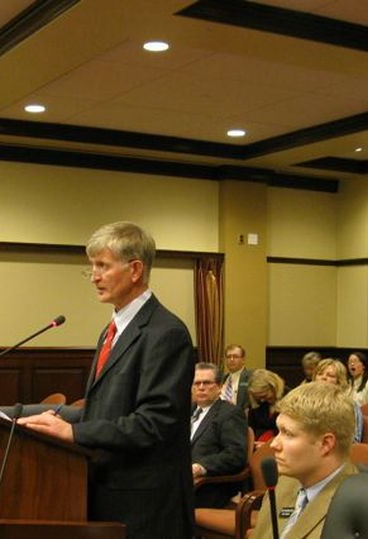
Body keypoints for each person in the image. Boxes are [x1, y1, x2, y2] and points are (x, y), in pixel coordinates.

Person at [17, 221, 194, 537]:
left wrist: (76, 432)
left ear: (135, 270)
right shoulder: (111, 330)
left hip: (145, 504)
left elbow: (155, 423)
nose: (95, 277)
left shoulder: (166, 333)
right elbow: (107, 409)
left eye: (103, 266)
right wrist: (50, 419)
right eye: (92, 268)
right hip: (108, 488)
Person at [250, 382, 358, 539]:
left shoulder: (358, 508)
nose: (274, 444)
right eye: (279, 431)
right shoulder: (282, 485)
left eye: (288, 433)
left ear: (325, 444)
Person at [190, 362, 248, 508]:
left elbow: (236, 455)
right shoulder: (187, 411)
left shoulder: (229, 413)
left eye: (207, 383)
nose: (201, 387)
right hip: (181, 481)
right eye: (197, 383)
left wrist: (200, 467)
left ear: (219, 386)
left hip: (208, 486)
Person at [314, 358, 364, 443]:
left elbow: (354, 441)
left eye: (330, 376)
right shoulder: (306, 402)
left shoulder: (349, 406)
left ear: (339, 382)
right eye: (320, 374)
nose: (323, 377)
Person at [248, 369, 286, 441]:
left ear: (273, 387)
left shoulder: (289, 398)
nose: (262, 400)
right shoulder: (258, 402)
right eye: (259, 398)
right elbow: (251, 428)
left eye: (264, 396)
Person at [220, 344, 251, 409]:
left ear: (243, 360)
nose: (231, 359)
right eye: (228, 357)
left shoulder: (250, 378)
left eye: (235, 357)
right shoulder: (222, 379)